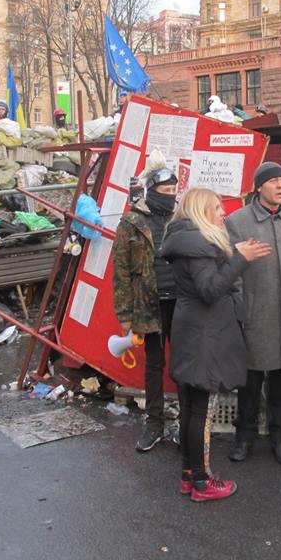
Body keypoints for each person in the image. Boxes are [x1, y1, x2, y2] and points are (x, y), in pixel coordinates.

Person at [161, 188, 271, 502]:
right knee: (200, 413)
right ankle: (202, 481)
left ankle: (188, 475)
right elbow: (211, 290)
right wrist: (240, 259)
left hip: (193, 330)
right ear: (201, 211)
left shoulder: (189, 241)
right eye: (218, 207)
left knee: (191, 409)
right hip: (203, 336)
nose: (223, 213)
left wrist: (233, 254)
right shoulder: (198, 245)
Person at [225, 163, 281, 464]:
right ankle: (244, 436)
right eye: (273, 182)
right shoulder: (237, 221)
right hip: (254, 315)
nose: (280, 186)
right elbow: (232, 274)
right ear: (259, 187)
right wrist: (241, 310)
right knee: (248, 384)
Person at [112, 163, 179, 452]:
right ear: (152, 191)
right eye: (165, 191)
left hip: (181, 303)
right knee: (154, 365)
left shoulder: (181, 218)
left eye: (174, 191)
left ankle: (186, 423)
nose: (171, 196)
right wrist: (124, 315)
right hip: (148, 305)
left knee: (184, 363)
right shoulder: (131, 222)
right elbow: (121, 271)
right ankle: (154, 424)